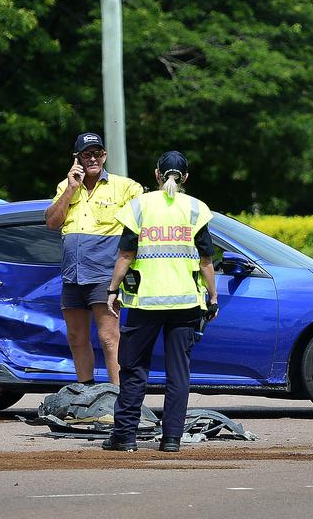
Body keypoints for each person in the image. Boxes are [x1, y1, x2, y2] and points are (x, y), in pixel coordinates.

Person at [102, 151, 218, 453]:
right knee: (178, 373)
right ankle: (171, 439)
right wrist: (213, 297)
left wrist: (112, 290)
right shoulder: (196, 209)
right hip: (185, 305)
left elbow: (125, 255)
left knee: (133, 369)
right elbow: (206, 261)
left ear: (156, 175)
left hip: (144, 304)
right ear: (186, 178)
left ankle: (125, 436)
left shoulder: (139, 206)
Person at [44, 132, 143, 386]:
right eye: (86, 154)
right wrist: (71, 188)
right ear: (77, 158)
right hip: (73, 275)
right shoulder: (65, 186)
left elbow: (139, 227)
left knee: (109, 339)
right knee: (76, 338)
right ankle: (86, 392)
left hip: (105, 274)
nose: (93, 159)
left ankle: (120, 400)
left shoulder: (126, 187)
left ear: (105, 155)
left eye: (97, 153)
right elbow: (52, 223)